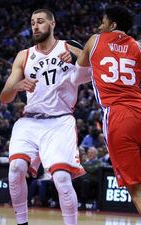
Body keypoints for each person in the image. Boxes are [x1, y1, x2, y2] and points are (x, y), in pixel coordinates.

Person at [0, 9, 87, 225]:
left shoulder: (69, 47)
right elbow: (4, 97)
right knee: (16, 169)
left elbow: (93, 72)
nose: (35, 26)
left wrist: (77, 57)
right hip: (29, 121)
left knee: (62, 179)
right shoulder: (24, 55)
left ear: (52, 24)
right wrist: (17, 86)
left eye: (40, 22)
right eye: (32, 23)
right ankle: (22, 223)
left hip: (60, 121)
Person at [71, 5, 141, 213]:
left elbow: (78, 77)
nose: (100, 26)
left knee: (135, 187)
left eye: (103, 22)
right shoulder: (137, 46)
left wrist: (76, 52)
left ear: (113, 24)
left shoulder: (95, 40)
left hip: (119, 116)